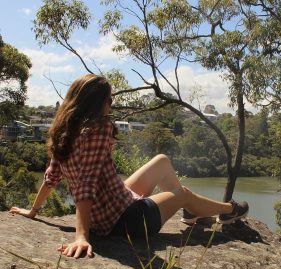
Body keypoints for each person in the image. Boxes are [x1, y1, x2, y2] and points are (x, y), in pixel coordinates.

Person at [10, 74, 249, 259]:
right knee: (183, 193)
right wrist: (81, 236)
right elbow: (87, 182)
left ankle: (189, 213)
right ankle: (229, 211)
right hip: (127, 221)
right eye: (108, 100)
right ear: (97, 103)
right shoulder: (98, 128)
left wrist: (33, 211)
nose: (111, 105)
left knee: (162, 161)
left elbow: (51, 176)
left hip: (111, 208)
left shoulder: (63, 130)